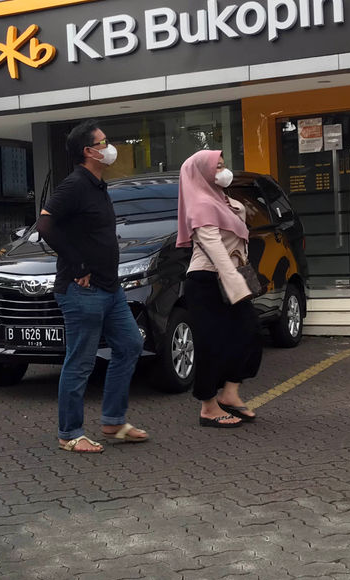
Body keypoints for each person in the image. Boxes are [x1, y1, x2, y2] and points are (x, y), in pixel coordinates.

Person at [36, 120, 149, 453]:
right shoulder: (74, 185)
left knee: (129, 345)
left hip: (110, 289)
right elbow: (45, 224)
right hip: (81, 291)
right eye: (103, 143)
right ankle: (69, 433)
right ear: (88, 152)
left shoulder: (98, 185)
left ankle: (113, 422)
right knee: (81, 361)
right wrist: (77, 264)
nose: (109, 147)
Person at [176, 149, 263, 429]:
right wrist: (236, 284)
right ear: (202, 174)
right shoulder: (200, 205)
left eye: (224, 166)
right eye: (217, 168)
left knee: (249, 332)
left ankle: (230, 393)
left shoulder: (223, 201)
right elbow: (215, 249)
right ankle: (208, 406)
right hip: (206, 281)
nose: (224, 172)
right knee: (211, 344)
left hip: (230, 277)